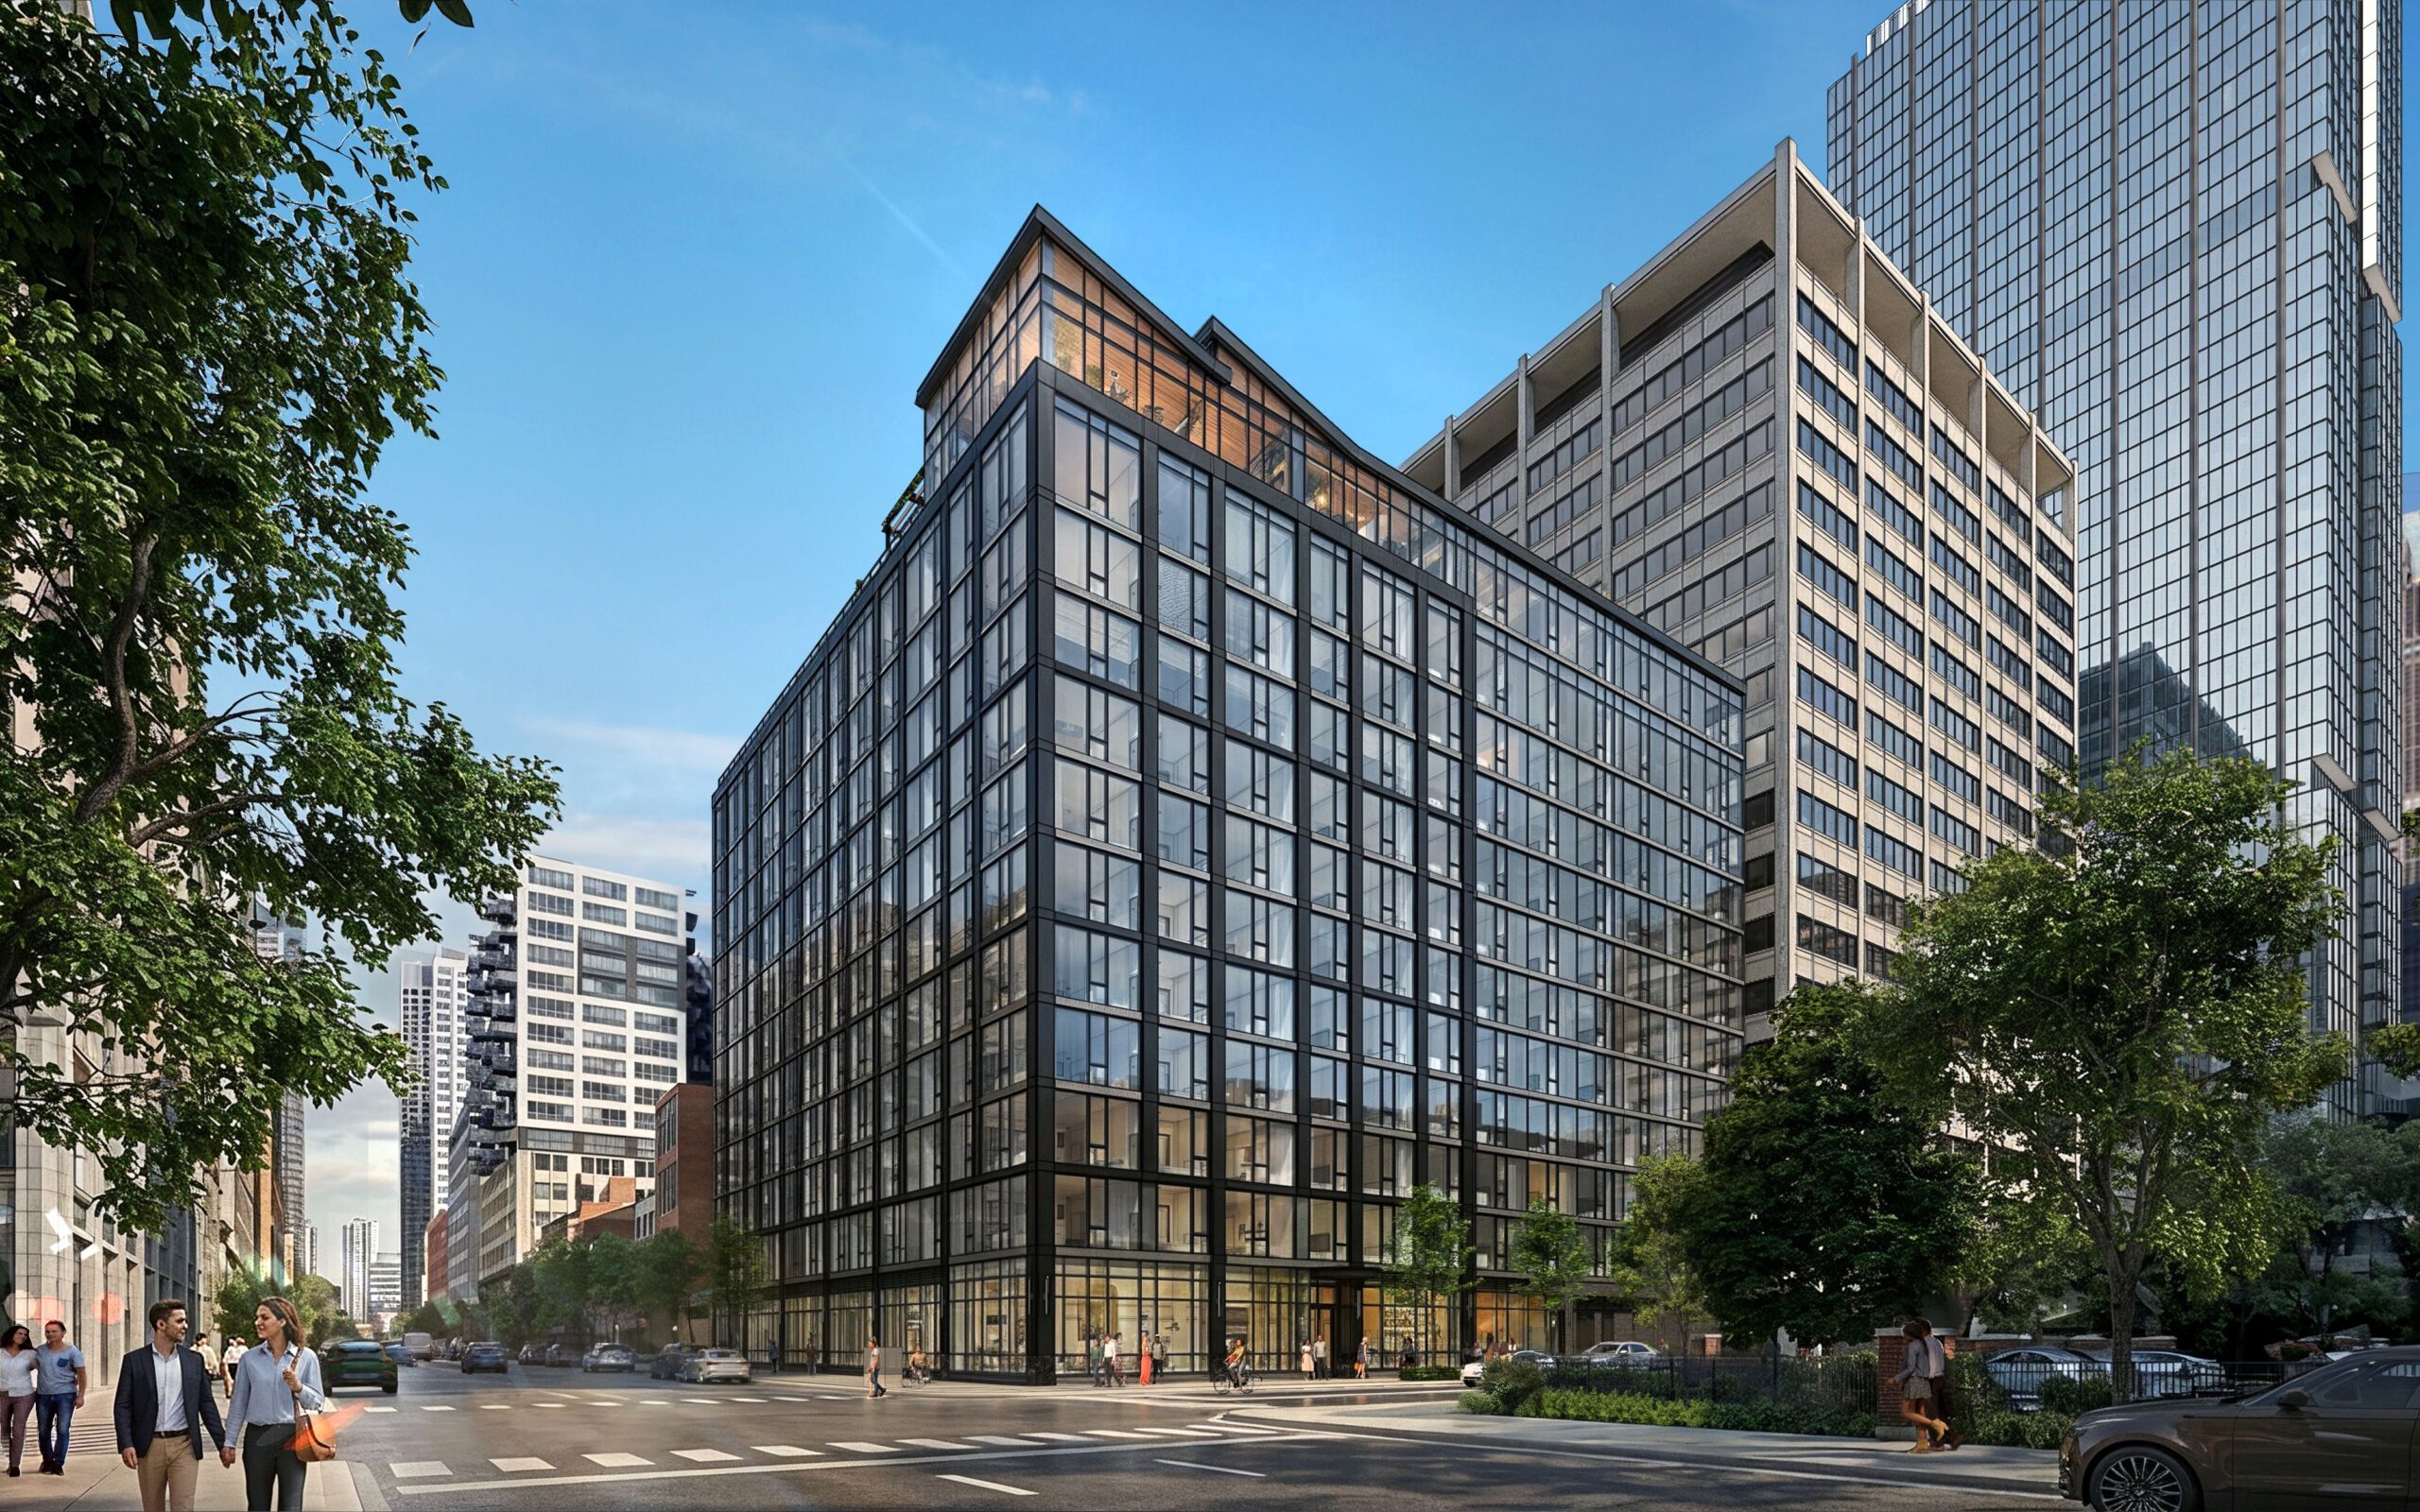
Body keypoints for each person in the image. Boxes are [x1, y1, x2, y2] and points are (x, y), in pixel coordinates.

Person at [112, 1298, 229, 1512]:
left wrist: (223, 1444)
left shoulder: (194, 1360)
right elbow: (122, 1405)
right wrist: (126, 1443)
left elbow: (207, 1404)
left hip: (184, 1445)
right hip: (149, 1446)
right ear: (161, 1324)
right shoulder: (134, 1360)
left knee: (184, 1507)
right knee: (153, 1507)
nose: (185, 1326)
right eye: (180, 1321)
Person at [225, 1297, 328, 1510]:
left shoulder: (306, 1357)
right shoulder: (249, 1359)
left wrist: (299, 1387)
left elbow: (318, 1402)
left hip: (293, 1437)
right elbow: (238, 1403)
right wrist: (229, 1442)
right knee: (257, 1506)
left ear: (282, 1321)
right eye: (257, 1317)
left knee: (291, 1507)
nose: (257, 1322)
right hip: (258, 1439)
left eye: (264, 1317)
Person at [34, 1319, 86, 1476]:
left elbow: (82, 1374)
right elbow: (29, 1365)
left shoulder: (72, 1352)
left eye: (54, 1331)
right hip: (43, 1396)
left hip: (65, 1395)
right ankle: (48, 1460)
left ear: (63, 1333)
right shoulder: (39, 1351)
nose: (50, 1334)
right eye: (48, 1331)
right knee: (43, 1430)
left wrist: (81, 1395)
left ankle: (58, 1462)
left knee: (63, 1429)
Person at [1893, 1319, 1948, 1452]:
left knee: (1925, 1411)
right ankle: (1924, 1442)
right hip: (1936, 1378)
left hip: (1928, 1380)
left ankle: (1936, 1441)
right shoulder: (1935, 1342)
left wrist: (1897, 1379)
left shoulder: (1922, 1345)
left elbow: (1921, 1366)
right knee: (1923, 1411)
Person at [0, 1324, 37, 1476]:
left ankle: (15, 1465)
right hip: (2, 1394)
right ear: (11, 1334)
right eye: (19, 1333)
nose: (22, 1336)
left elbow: (45, 1369)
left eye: (25, 1334)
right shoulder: (0, 1353)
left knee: (18, 1428)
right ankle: (10, 1460)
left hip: (24, 1394)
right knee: (4, 1430)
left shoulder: (30, 1354)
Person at [1923, 1323, 1960, 1450]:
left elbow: (1931, 1363)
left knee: (1931, 1413)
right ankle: (1953, 1438)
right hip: (1940, 1378)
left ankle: (1937, 1442)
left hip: (1931, 1380)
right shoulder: (1937, 1342)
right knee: (1941, 1413)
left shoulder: (1925, 1343)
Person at [219, 1331, 247, 1401]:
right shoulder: (230, 1349)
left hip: (239, 1364)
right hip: (231, 1364)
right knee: (230, 1379)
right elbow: (225, 1359)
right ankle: (230, 1392)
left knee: (238, 1380)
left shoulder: (244, 1348)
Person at [864, 1336, 886, 1400]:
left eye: (870, 1344)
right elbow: (872, 1361)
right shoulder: (873, 1351)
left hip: (875, 1368)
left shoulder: (876, 1350)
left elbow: (876, 1360)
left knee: (874, 1380)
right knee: (872, 1380)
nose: (869, 1345)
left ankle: (876, 1393)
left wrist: (873, 1368)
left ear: (873, 1344)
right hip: (873, 1367)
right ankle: (882, 1389)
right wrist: (869, 1367)